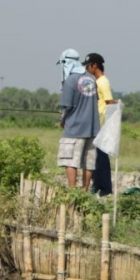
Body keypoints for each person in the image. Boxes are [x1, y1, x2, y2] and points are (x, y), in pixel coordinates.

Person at [57, 49, 100, 189]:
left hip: (75, 129)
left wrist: (62, 120)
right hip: (93, 129)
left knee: (70, 162)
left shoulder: (71, 80)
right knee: (89, 164)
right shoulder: (91, 79)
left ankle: (72, 193)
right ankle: (84, 193)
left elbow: (66, 106)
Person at [83, 52, 116, 197]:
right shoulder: (97, 82)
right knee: (96, 157)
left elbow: (109, 102)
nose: (87, 69)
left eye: (88, 66)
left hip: (101, 124)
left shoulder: (103, 82)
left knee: (100, 158)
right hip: (96, 123)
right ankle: (98, 186)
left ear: (94, 65)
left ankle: (104, 188)